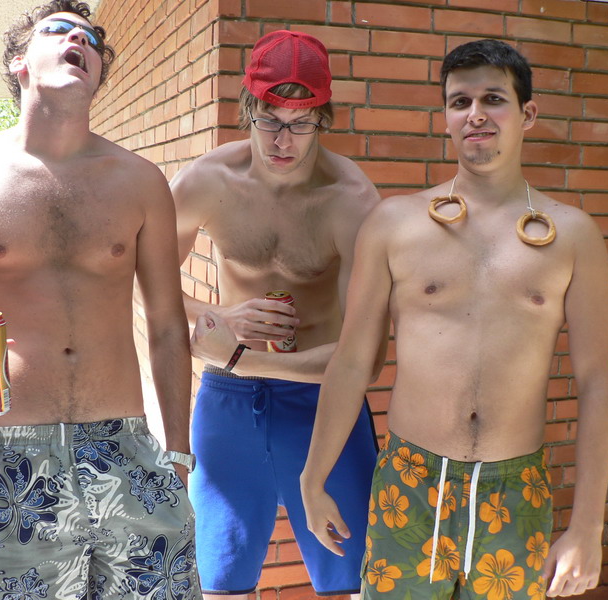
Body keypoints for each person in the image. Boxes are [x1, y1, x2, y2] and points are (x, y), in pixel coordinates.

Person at [300, 39, 608, 600]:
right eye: (459, 102)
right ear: (446, 117)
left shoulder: (573, 235)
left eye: (493, 99)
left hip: (514, 492)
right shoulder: (393, 224)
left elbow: (596, 383)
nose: (475, 114)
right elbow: (351, 361)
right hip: (409, 482)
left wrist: (588, 527)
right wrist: (312, 477)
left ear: (527, 114)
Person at [0, 2, 201, 598]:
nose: (79, 41)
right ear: (20, 61)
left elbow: (168, 325)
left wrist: (178, 453)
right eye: (59, 30)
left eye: (91, 38)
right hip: (11, 455)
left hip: (124, 447)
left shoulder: (141, 182)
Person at [170, 30, 385, 599]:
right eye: (269, 120)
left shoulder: (352, 201)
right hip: (228, 404)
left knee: (350, 585)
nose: (283, 140)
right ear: (248, 109)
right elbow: (142, 280)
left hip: (323, 402)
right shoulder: (207, 181)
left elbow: (366, 357)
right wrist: (216, 316)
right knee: (218, 584)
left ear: (324, 119)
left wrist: (240, 358)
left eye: (301, 122)